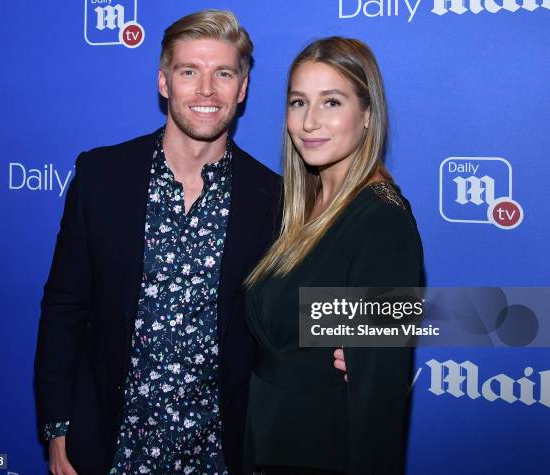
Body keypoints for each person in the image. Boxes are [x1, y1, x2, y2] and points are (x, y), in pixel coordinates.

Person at [34, 10, 285, 475]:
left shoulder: (273, 198)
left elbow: (294, 316)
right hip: (112, 450)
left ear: (242, 88)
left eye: (223, 73)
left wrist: (363, 338)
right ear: (164, 82)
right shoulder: (103, 177)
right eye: (190, 71)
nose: (206, 89)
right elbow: (65, 308)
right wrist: (58, 426)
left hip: (222, 456)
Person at [244, 37, 424, 474]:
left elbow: (378, 401)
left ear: (367, 115)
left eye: (331, 102)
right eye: (298, 102)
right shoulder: (299, 205)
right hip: (270, 440)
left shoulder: (382, 220)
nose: (309, 122)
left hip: (323, 452)